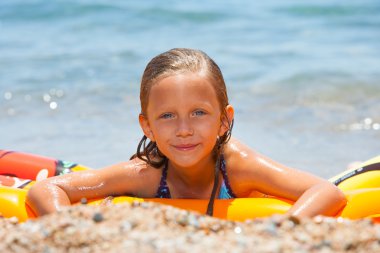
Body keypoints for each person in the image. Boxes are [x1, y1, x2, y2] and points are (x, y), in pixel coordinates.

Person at [26, 48, 346, 218]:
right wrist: (66, 227)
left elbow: (327, 191)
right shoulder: (147, 173)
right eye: (167, 116)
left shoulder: (238, 166)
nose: (183, 130)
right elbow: (46, 191)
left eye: (199, 113)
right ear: (146, 126)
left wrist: (289, 228)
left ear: (224, 120)